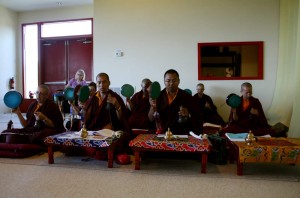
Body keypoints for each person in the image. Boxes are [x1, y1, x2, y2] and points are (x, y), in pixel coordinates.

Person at [1, 85, 65, 145]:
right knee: (6, 132)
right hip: (31, 131)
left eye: (41, 93)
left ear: (47, 96)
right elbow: (26, 125)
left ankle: (21, 139)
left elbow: (54, 126)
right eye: (37, 92)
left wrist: (44, 118)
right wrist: (19, 113)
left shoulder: (52, 106)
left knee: (40, 135)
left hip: (45, 131)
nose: (38, 95)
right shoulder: (33, 105)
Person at [148, 69, 202, 135]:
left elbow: (197, 117)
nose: (171, 83)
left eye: (174, 81)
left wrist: (188, 114)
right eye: (168, 81)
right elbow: (151, 119)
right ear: (164, 82)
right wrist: (152, 106)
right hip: (163, 132)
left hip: (181, 133)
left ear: (179, 81)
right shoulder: (158, 96)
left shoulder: (187, 96)